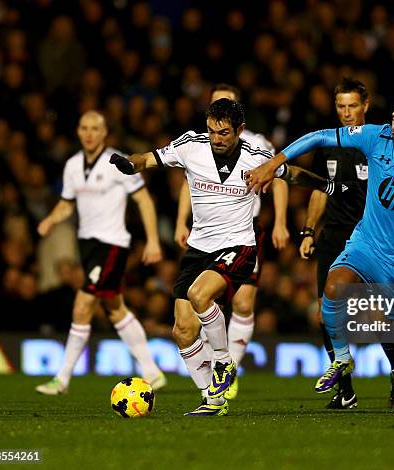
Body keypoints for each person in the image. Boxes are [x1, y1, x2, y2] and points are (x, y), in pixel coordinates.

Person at [246, 94, 394, 416]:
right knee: (333, 288)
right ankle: (343, 360)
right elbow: (320, 137)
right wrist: (273, 164)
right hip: (367, 244)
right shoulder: (377, 136)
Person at [111, 98, 330, 416]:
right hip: (198, 248)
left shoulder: (257, 157)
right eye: (212, 131)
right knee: (182, 330)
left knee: (199, 295)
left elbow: (291, 174)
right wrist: (130, 165)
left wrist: (330, 186)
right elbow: (148, 158)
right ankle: (212, 400)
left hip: (239, 246)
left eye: (224, 132)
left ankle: (224, 363)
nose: (217, 138)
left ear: (240, 130)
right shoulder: (190, 146)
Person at [36, 111, 165, 395]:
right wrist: (51, 219)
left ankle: (62, 379)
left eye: (95, 128)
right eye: (84, 128)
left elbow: (143, 199)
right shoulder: (72, 165)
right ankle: (152, 371)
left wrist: (153, 240)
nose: (89, 133)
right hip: (88, 245)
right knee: (115, 308)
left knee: (83, 305)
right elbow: (67, 204)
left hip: (112, 244)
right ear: (78, 132)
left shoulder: (119, 162)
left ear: (105, 132)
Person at [175, 83, 289, 400]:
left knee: (241, 302)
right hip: (206, 233)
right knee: (192, 315)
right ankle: (216, 376)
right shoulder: (198, 147)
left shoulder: (257, 145)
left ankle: (228, 369)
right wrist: (181, 220)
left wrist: (280, 221)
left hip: (245, 231)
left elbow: (279, 180)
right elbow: (189, 182)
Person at [299, 77, 394, 410]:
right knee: (326, 315)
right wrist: (309, 231)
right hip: (334, 235)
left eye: (352, 106)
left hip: (372, 237)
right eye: (340, 106)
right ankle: (345, 390)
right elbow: (319, 189)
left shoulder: (382, 142)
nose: (345, 113)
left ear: (366, 106)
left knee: (380, 316)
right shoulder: (328, 142)